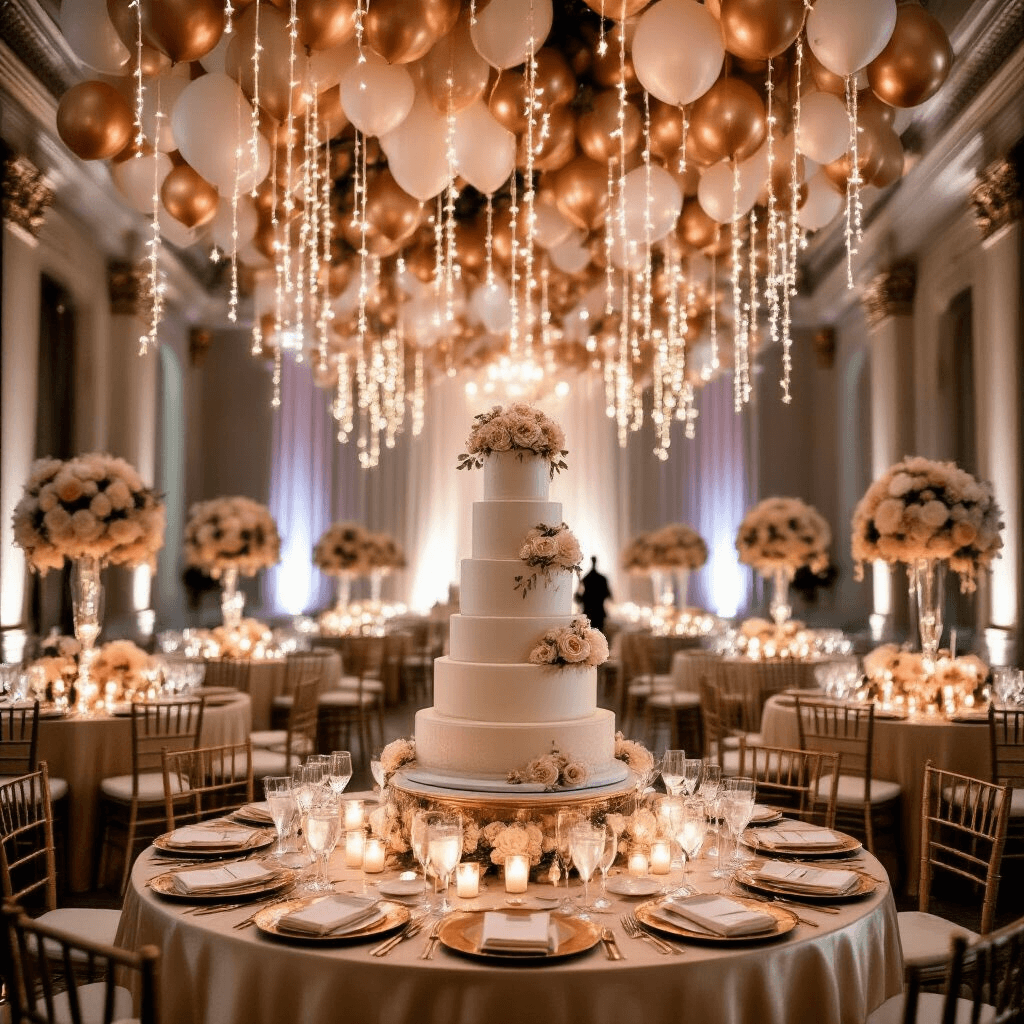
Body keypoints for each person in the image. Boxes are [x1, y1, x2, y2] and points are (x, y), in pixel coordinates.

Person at [578, 556, 612, 633]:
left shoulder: (586, 578)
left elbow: (579, 598)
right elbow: (608, 595)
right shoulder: (601, 578)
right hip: (597, 612)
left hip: (590, 611)